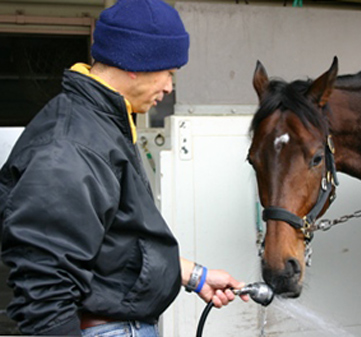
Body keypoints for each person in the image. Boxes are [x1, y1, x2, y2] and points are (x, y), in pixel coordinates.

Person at [0, 0, 248, 335]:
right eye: (169, 73)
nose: (169, 88)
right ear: (136, 61)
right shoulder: (72, 145)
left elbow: (118, 245)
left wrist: (195, 275)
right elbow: (45, 284)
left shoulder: (101, 126)